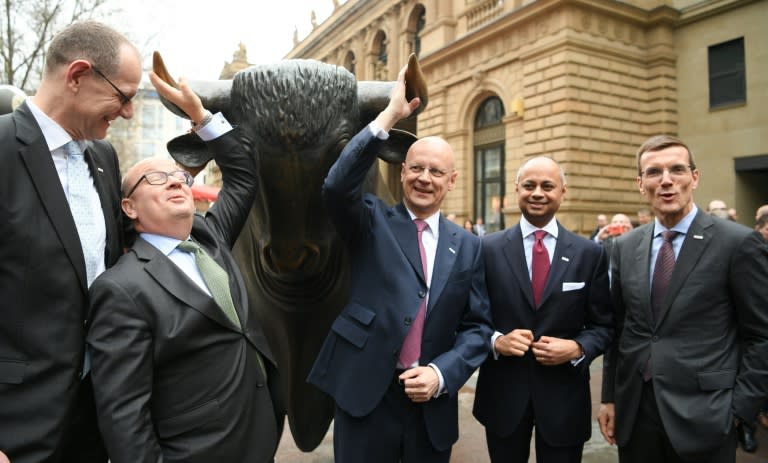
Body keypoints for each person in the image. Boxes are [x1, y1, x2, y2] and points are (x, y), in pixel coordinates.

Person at [86, 72, 281, 463]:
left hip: (259, 436)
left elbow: (242, 176)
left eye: (180, 176)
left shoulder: (210, 238)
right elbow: (124, 413)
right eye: (157, 178)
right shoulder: (121, 288)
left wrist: (200, 115)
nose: (176, 182)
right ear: (129, 207)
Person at [307, 64, 493, 463]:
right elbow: (337, 186)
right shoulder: (371, 220)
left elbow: (478, 328)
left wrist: (442, 374)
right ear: (403, 171)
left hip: (431, 402)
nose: (425, 178)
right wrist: (389, 116)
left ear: (452, 180)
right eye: (417, 168)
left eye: (436, 171)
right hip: (366, 398)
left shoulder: (470, 246)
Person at [0, 21, 142, 463]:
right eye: (124, 96)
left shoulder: (103, 157)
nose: (129, 113)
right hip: (15, 428)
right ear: (78, 76)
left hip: (94, 424)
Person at [598, 134, 768, 463]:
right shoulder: (625, 246)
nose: (666, 181)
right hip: (636, 414)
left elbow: (761, 336)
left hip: (707, 416)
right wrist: (610, 399)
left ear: (694, 177)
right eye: (654, 172)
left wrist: (738, 410)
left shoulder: (737, 243)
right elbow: (620, 329)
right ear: (640, 183)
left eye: (676, 169)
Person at [473, 157, 614, 463]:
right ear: (516, 190)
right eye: (529, 185)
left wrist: (577, 347)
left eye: (547, 186)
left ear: (563, 192)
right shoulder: (486, 249)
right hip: (503, 396)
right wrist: (496, 341)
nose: (538, 192)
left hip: (564, 397)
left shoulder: (590, 254)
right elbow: (469, 319)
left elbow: (604, 326)